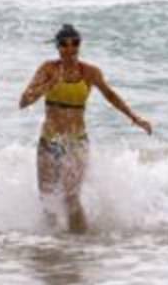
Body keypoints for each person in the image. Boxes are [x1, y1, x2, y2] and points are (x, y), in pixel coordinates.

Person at [18, 24, 153, 233]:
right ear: (58, 47)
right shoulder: (48, 69)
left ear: (80, 45)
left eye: (75, 43)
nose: (70, 48)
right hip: (49, 141)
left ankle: (80, 247)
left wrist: (135, 118)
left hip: (76, 141)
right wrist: (48, 85)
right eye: (64, 44)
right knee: (46, 197)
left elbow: (111, 95)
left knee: (71, 197)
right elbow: (23, 101)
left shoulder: (90, 72)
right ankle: (48, 247)